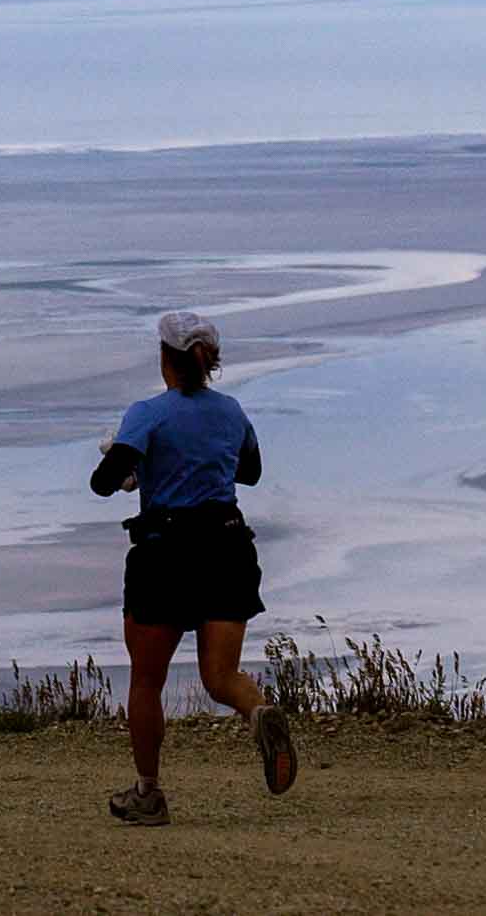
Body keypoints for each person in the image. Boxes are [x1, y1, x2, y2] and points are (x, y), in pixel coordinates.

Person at [90, 310, 295, 825]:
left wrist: (126, 460)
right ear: (208, 362)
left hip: (165, 555)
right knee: (221, 676)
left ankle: (149, 793)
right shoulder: (231, 412)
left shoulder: (148, 413)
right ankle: (259, 712)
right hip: (227, 548)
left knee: (146, 681)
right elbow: (248, 472)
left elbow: (102, 482)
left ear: (165, 358)